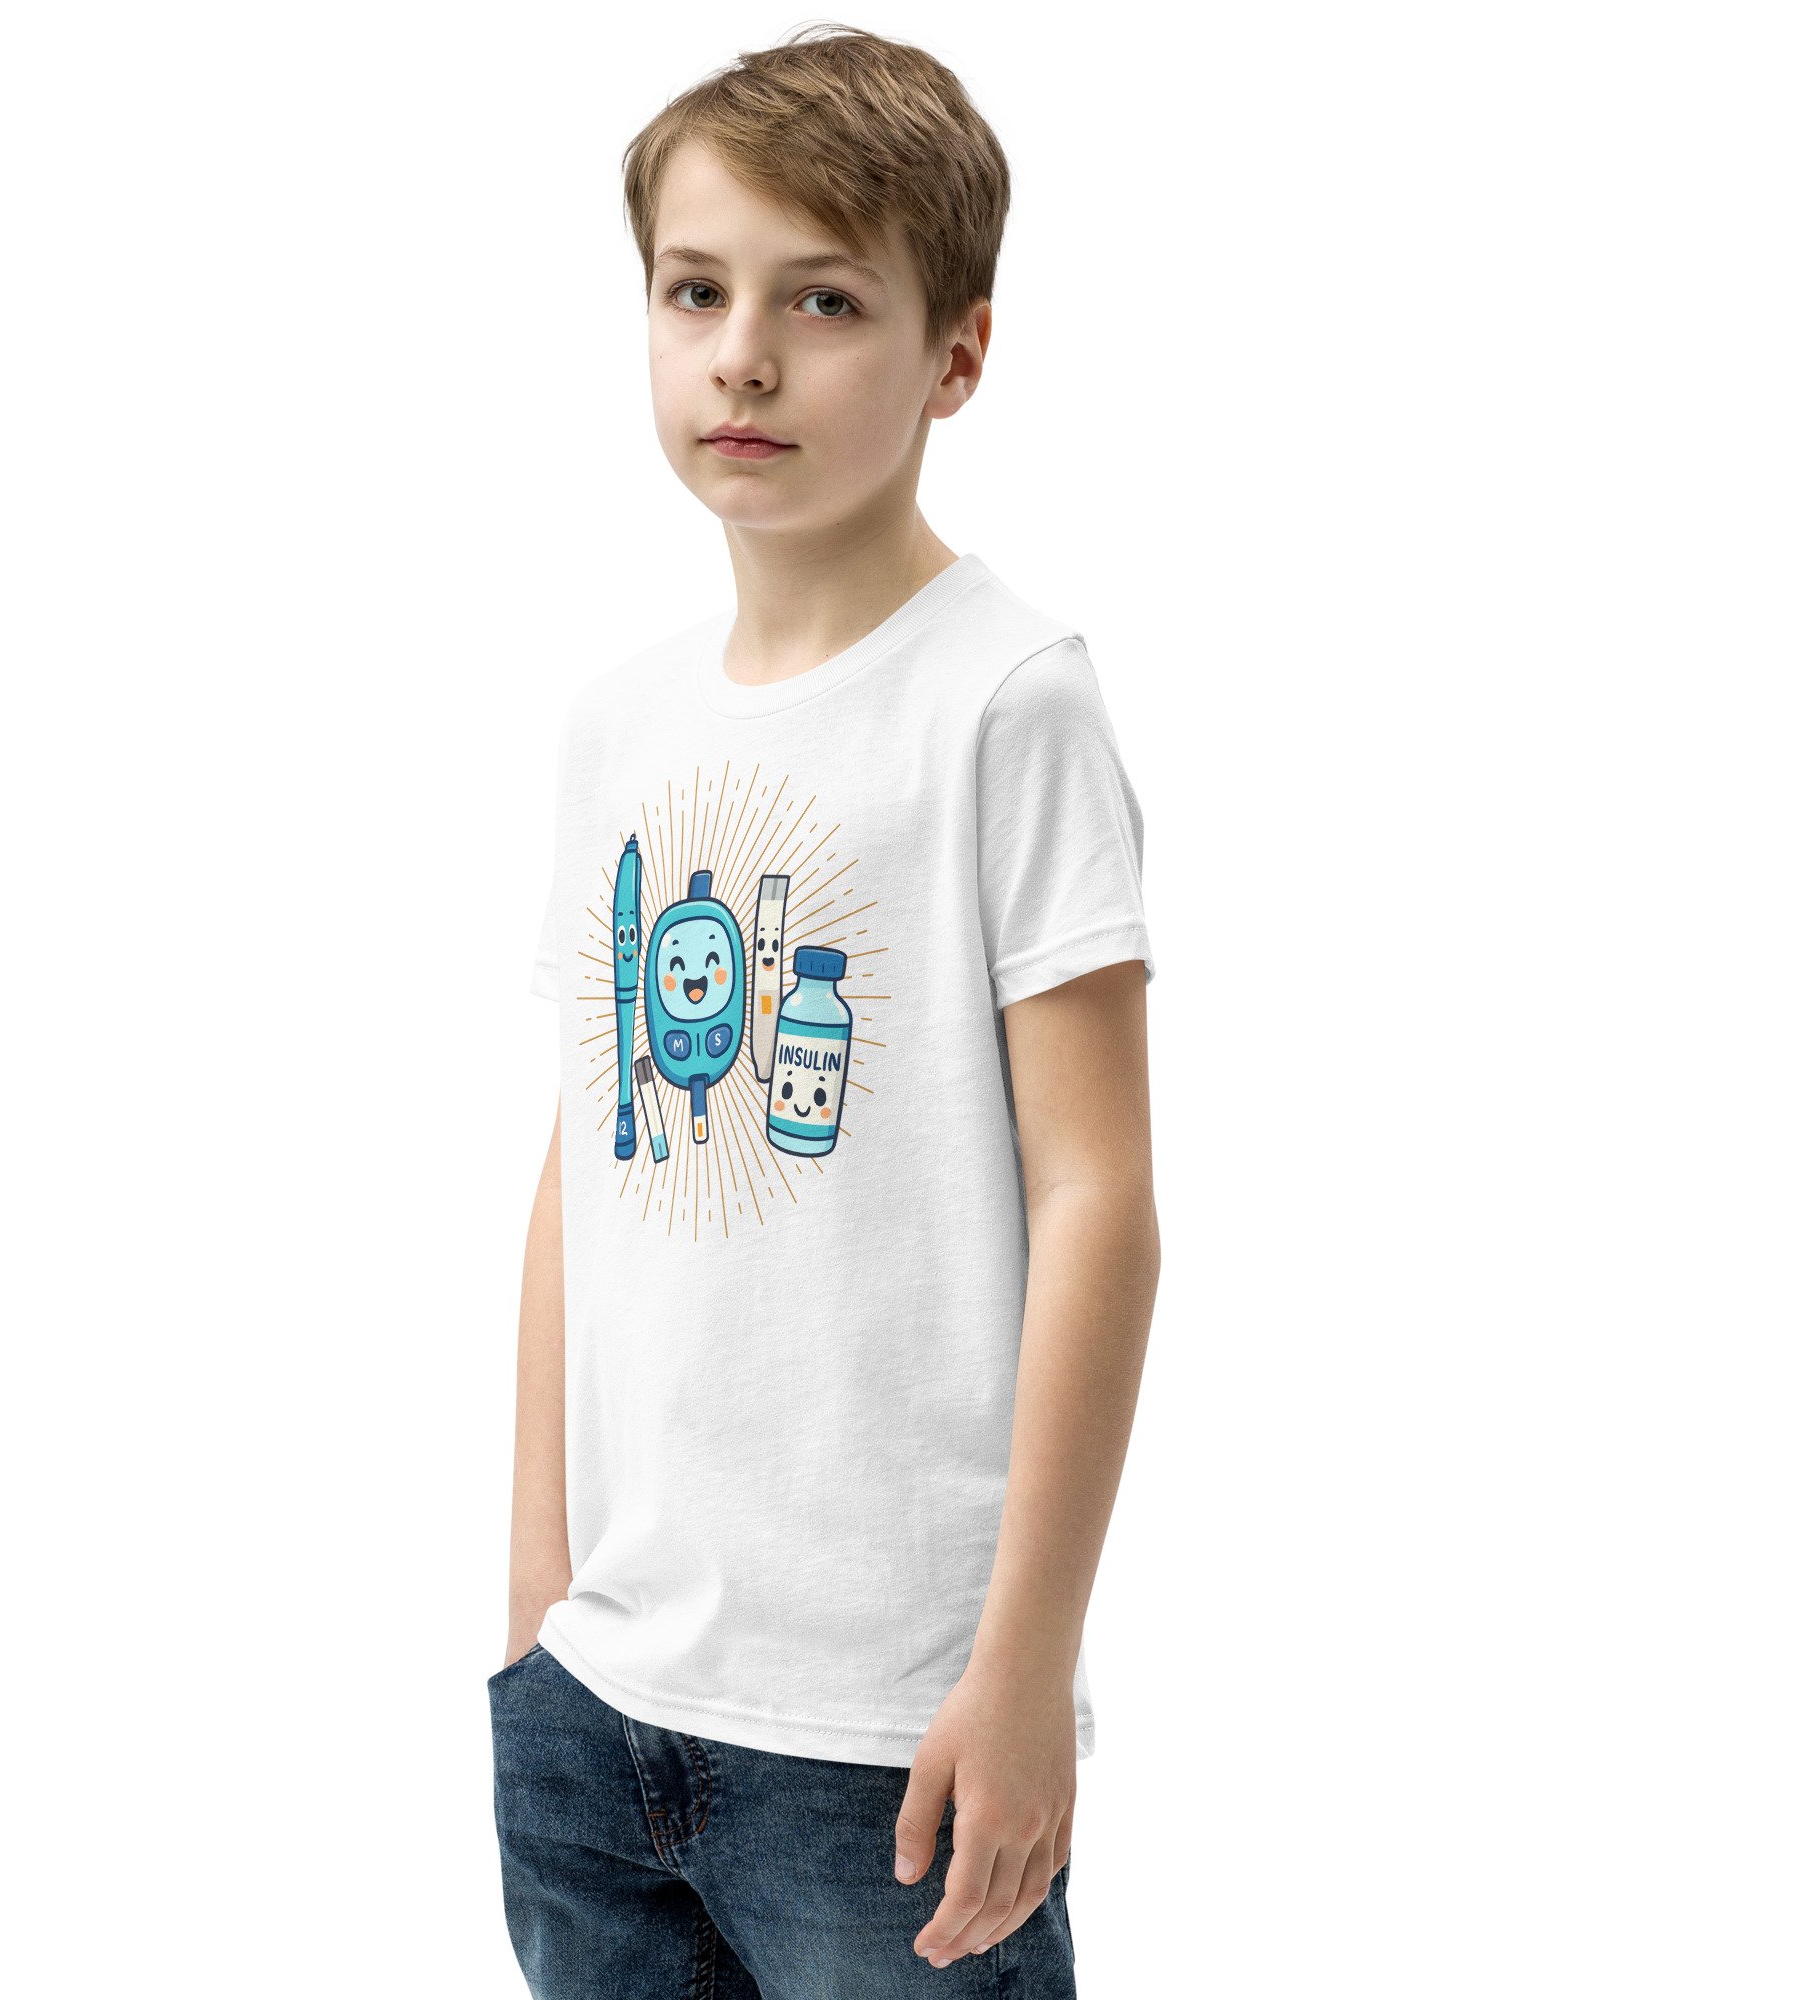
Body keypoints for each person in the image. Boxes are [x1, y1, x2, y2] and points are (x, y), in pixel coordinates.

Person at [491, 25, 1160, 1994]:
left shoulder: (1006, 698)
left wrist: (1024, 1670)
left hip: (886, 1742)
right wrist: (537, 1612)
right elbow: (583, 1164)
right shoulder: (617, 724)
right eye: (694, 291)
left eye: (824, 301)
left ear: (958, 354)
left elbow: (1102, 1201)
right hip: (597, 1716)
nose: (743, 359)